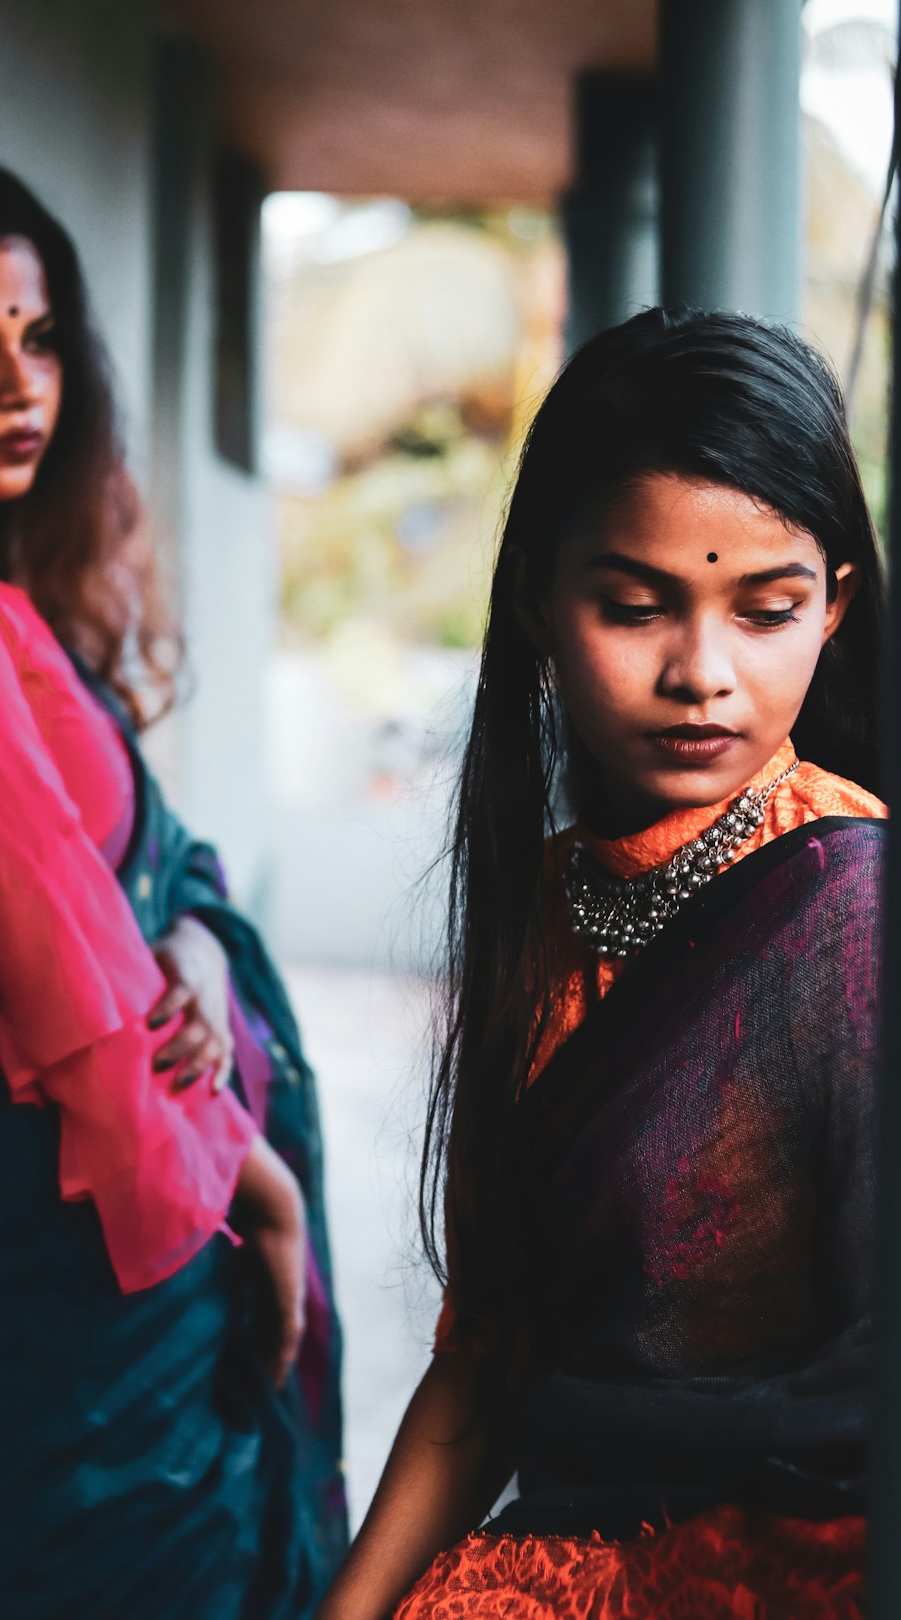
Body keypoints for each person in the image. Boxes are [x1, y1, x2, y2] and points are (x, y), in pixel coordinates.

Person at [0, 144, 345, 1619]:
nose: (19, 385)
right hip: (36, 1291)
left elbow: (132, 882)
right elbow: (61, 949)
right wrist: (267, 1191)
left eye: (39, 340)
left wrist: (190, 933)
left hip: (77, 1244)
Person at [318, 308, 884, 1619]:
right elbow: (482, 1371)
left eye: (768, 609)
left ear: (836, 608)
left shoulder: (852, 912)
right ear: (536, 597)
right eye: (636, 607)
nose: (704, 674)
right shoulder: (560, 906)